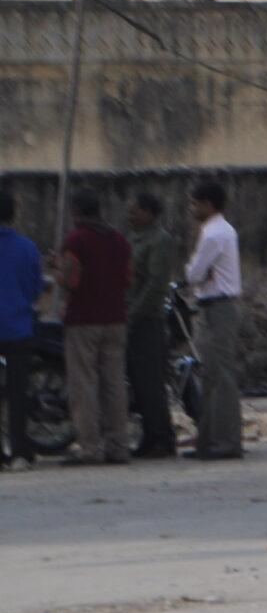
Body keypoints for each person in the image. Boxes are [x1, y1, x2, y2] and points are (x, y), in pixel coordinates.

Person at [53, 188, 133, 465]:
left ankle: (88, 446)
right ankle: (119, 444)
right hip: (116, 318)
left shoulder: (75, 241)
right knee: (114, 383)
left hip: (83, 320)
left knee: (84, 383)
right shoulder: (120, 240)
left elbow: (70, 280)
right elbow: (127, 278)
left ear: (76, 211)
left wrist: (58, 269)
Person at [183, 179, 243, 462]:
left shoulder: (213, 235)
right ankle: (209, 440)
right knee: (210, 376)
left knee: (220, 378)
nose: (192, 208)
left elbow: (194, 274)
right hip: (213, 307)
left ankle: (225, 441)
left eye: (195, 203)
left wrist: (195, 273)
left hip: (217, 308)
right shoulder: (219, 231)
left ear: (207, 204)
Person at [123, 193, 181, 460]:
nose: (130, 216)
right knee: (137, 381)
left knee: (151, 383)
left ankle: (162, 438)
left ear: (149, 213)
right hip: (133, 318)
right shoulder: (134, 239)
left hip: (148, 320)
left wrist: (132, 315)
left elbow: (155, 286)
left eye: (135, 212)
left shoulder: (160, 241)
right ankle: (149, 437)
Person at [0, 193, 43, 469]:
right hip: (17, 328)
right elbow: (35, 288)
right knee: (18, 393)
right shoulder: (27, 248)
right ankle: (19, 451)